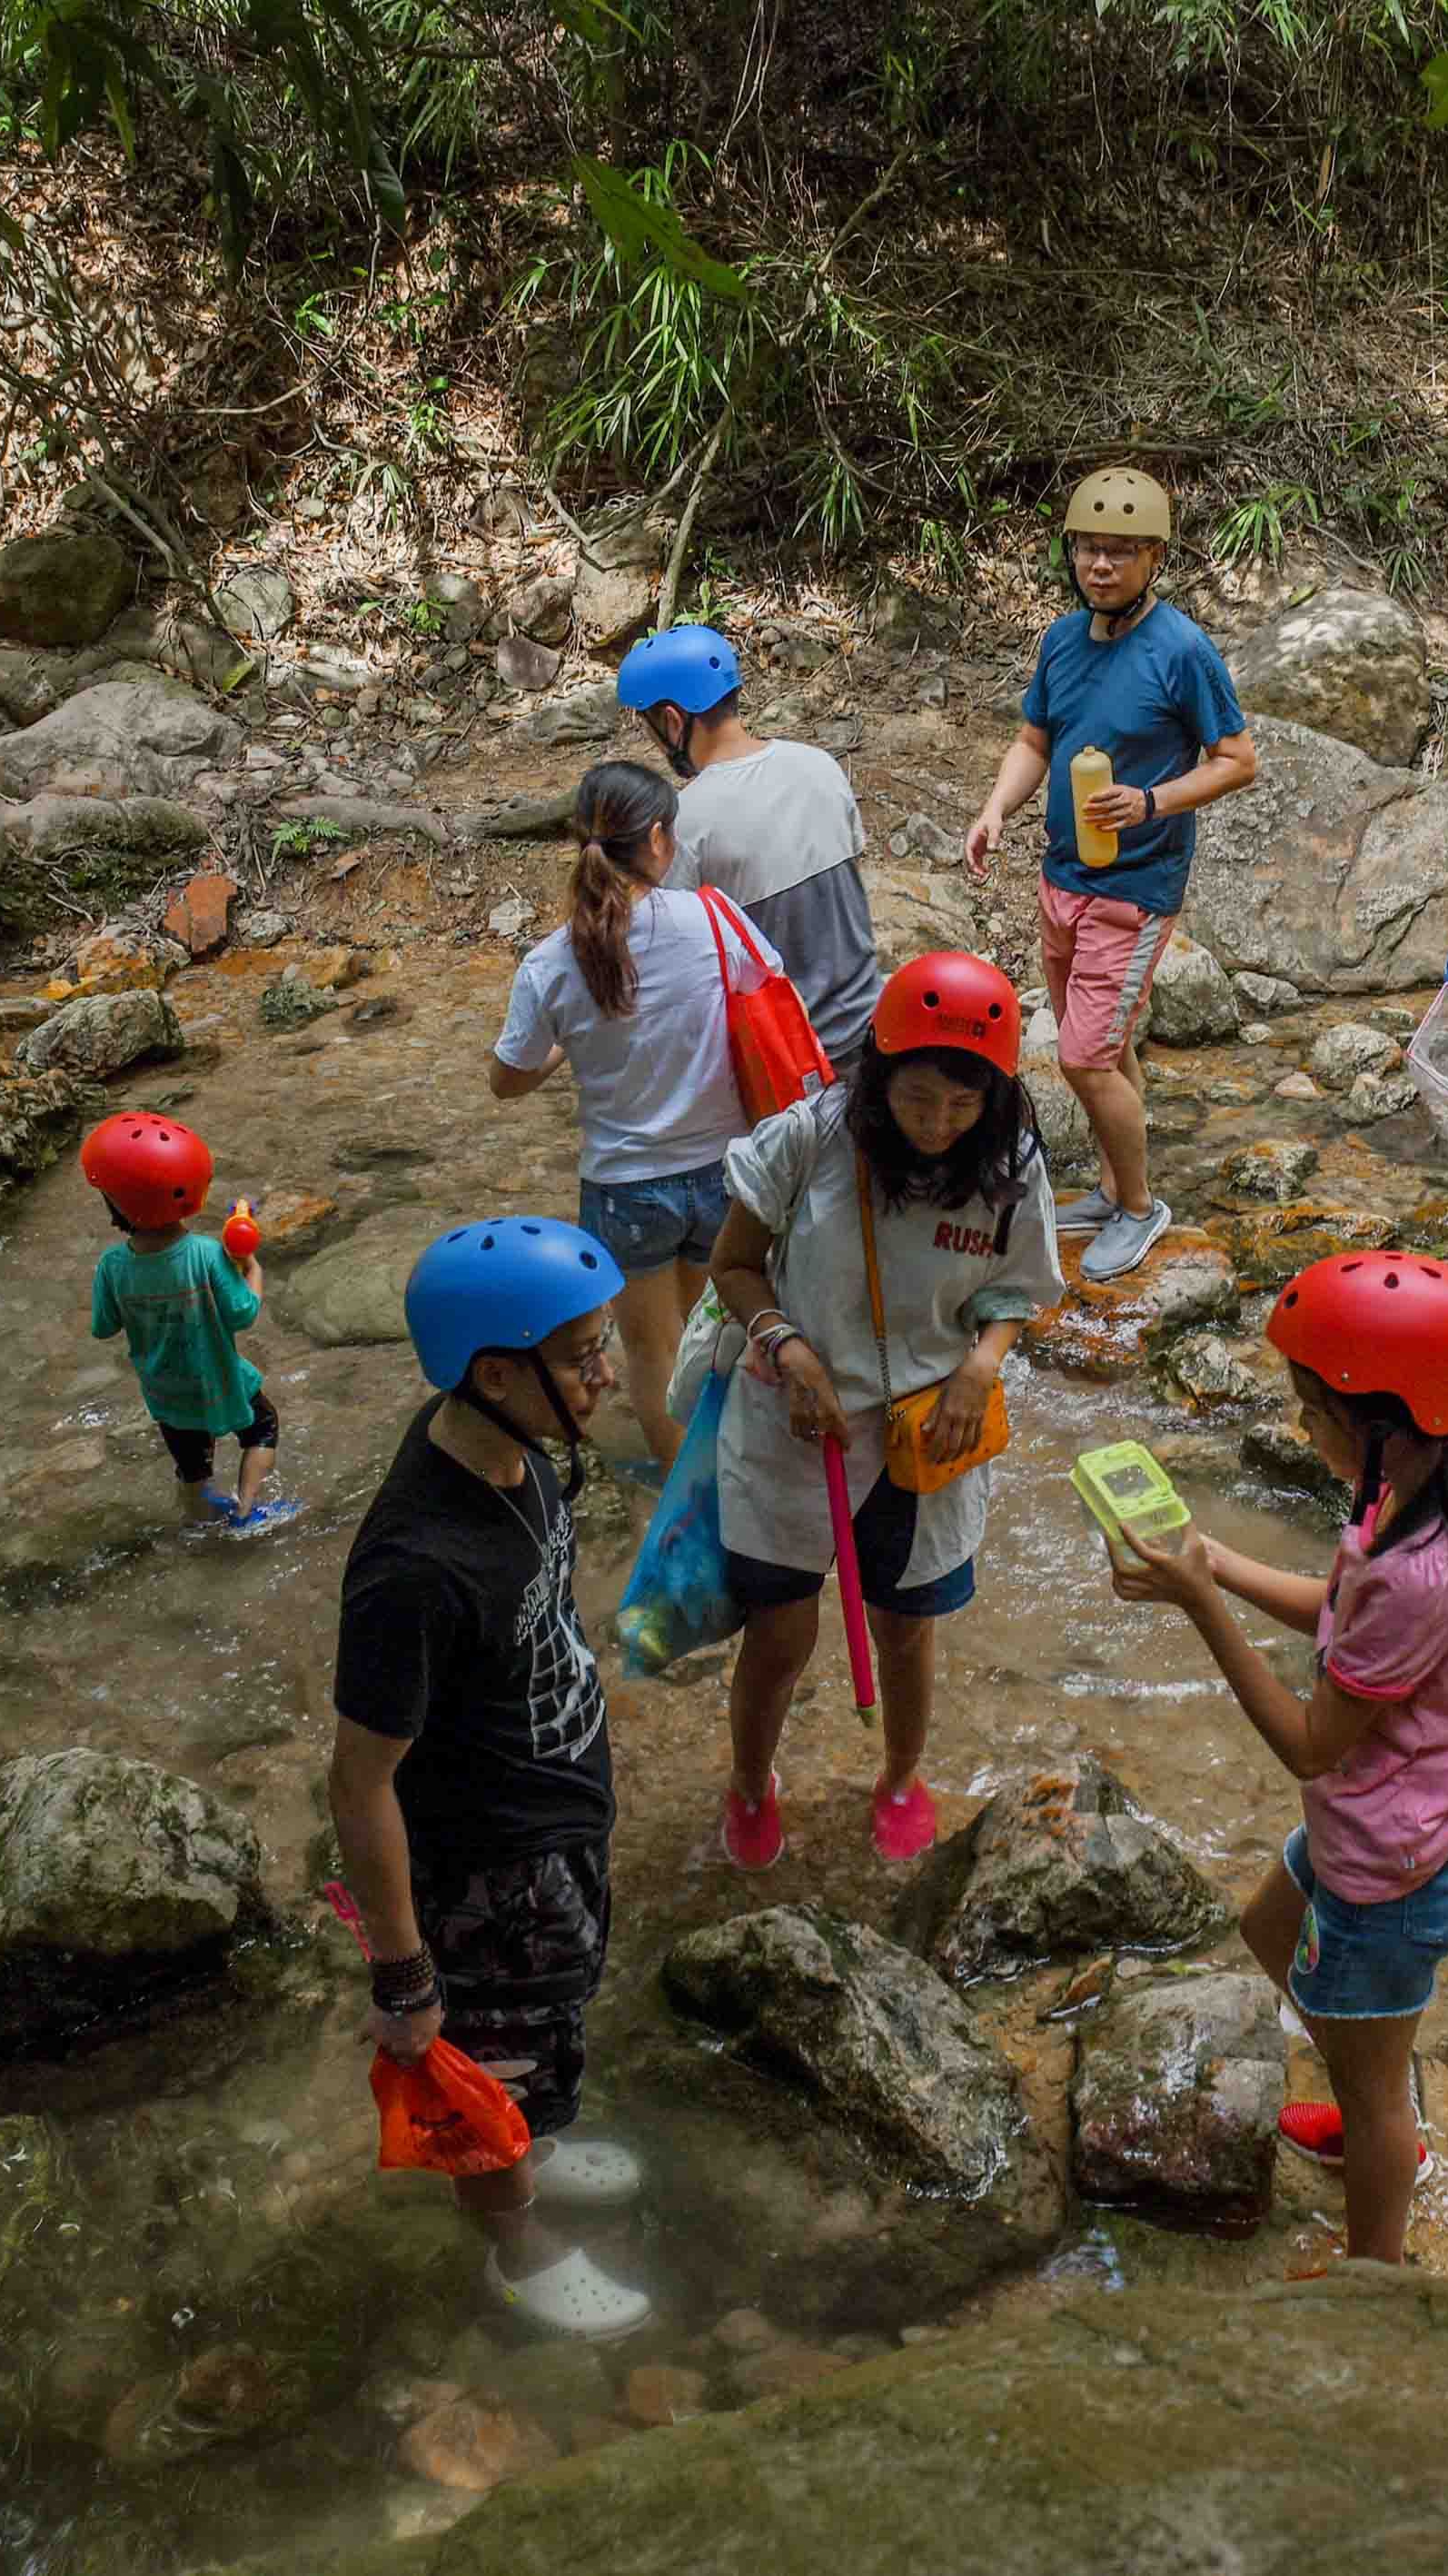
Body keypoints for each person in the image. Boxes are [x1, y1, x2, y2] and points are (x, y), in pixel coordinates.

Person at [1105, 1252, 1448, 2267]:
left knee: (1372, 2094)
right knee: (1265, 1928)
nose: (1301, 1429)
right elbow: (1341, 1615)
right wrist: (1213, 1561)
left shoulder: (1422, 1571)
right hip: (1383, 1821)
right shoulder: (1423, 1490)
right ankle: (1373, 2079)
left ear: (1377, 1421)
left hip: (1386, 1859)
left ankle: (1375, 2263)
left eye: (1311, 1411)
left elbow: (1306, 1741)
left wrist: (1202, 1610)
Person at [330, 1216, 653, 2340]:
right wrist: (406, 1976)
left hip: (553, 1810)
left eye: (602, 1343)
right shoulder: (413, 1569)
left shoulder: (510, 1448)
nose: (607, 1373)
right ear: (497, 1372)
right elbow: (358, 1785)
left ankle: (541, 2146)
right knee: (488, 2077)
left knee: (547, 2034)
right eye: (581, 1357)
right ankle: (513, 2245)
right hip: (484, 1869)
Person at [702, 950, 1064, 1868]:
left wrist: (980, 1368)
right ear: (879, 1075)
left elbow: (1016, 1292)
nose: (939, 1124)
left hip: (924, 1432)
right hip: (795, 1416)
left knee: (905, 1629)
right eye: (917, 1100)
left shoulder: (1009, 1164)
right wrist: (786, 1344)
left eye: (961, 1104)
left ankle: (901, 1775)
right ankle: (750, 1783)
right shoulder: (809, 1139)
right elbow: (733, 1265)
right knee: (780, 1632)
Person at [958, 467, 1259, 1283]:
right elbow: (1034, 741)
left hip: (1135, 888)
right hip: (1063, 877)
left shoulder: (1182, 650)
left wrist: (1153, 799)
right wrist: (996, 812)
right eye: (1090, 548)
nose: (1101, 565)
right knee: (1103, 1047)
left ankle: (1139, 1208)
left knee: (1086, 1059)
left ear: (1154, 558)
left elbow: (1238, 760)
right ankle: (1113, 1185)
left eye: (1121, 552)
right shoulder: (1061, 640)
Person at [491, 761, 761, 1467]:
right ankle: (730, 1471)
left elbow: (507, 1082)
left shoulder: (550, 961)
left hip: (624, 1188)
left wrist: (562, 1051)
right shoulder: (712, 919)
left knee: (652, 1352)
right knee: (713, 1333)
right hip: (723, 1175)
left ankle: (678, 1500)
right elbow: (765, 994)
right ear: (661, 839)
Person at [620, 622, 885, 1064]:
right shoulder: (820, 766)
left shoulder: (688, 820)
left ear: (672, 720)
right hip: (872, 1034)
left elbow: (672, 959)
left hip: (794, 1060)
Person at [79, 1111, 288, 1534]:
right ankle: (246, 1512)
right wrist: (251, 1267)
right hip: (219, 1380)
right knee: (263, 1429)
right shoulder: (207, 1254)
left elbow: (103, 1326)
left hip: (166, 1391)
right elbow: (243, 1313)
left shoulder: (112, 1266)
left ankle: (198, 1522)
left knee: (192, 1468)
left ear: (117, 1204)